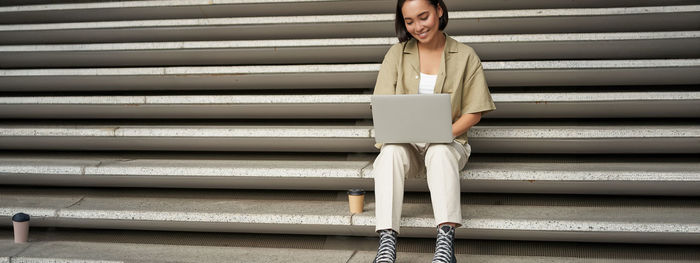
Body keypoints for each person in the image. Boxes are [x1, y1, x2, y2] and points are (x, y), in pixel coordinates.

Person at [371, 0, 496, 262]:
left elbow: (475, 111)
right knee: (389, 153)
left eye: (423, 16)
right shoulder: (396, 55)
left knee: (440, 151)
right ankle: (386, 242)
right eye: (409, 21)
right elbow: (382, 104)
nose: (418, 26)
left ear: (439, 10)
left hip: (449, 144)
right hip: (407, 145)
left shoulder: (465, 56)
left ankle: (445, 242)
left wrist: (444, 133)